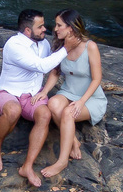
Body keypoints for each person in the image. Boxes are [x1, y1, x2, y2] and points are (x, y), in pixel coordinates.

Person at [0, 9, 68, 187]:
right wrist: (67, 48)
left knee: (45, 115)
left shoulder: (44, 44)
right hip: (8, 92)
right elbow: (42, 66)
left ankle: (27, 166)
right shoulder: (14, 45)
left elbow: (54, 67)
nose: (45, 29)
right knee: (13, 110)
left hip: (33, 94)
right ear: (27, 30)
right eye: (40, 27)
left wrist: (44, 91)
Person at [38, 9, 106, 179]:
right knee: (52, 103)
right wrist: (44, 91)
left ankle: (62, 161)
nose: (55, 29)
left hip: (90, 98)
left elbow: (97, 79)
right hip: (68, 92)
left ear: (70, 28)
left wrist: (82, 102)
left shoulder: (90, 46)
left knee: (68, 112)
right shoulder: (62, 46)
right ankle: (74, 141)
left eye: (59, 25)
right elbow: (55, 72)